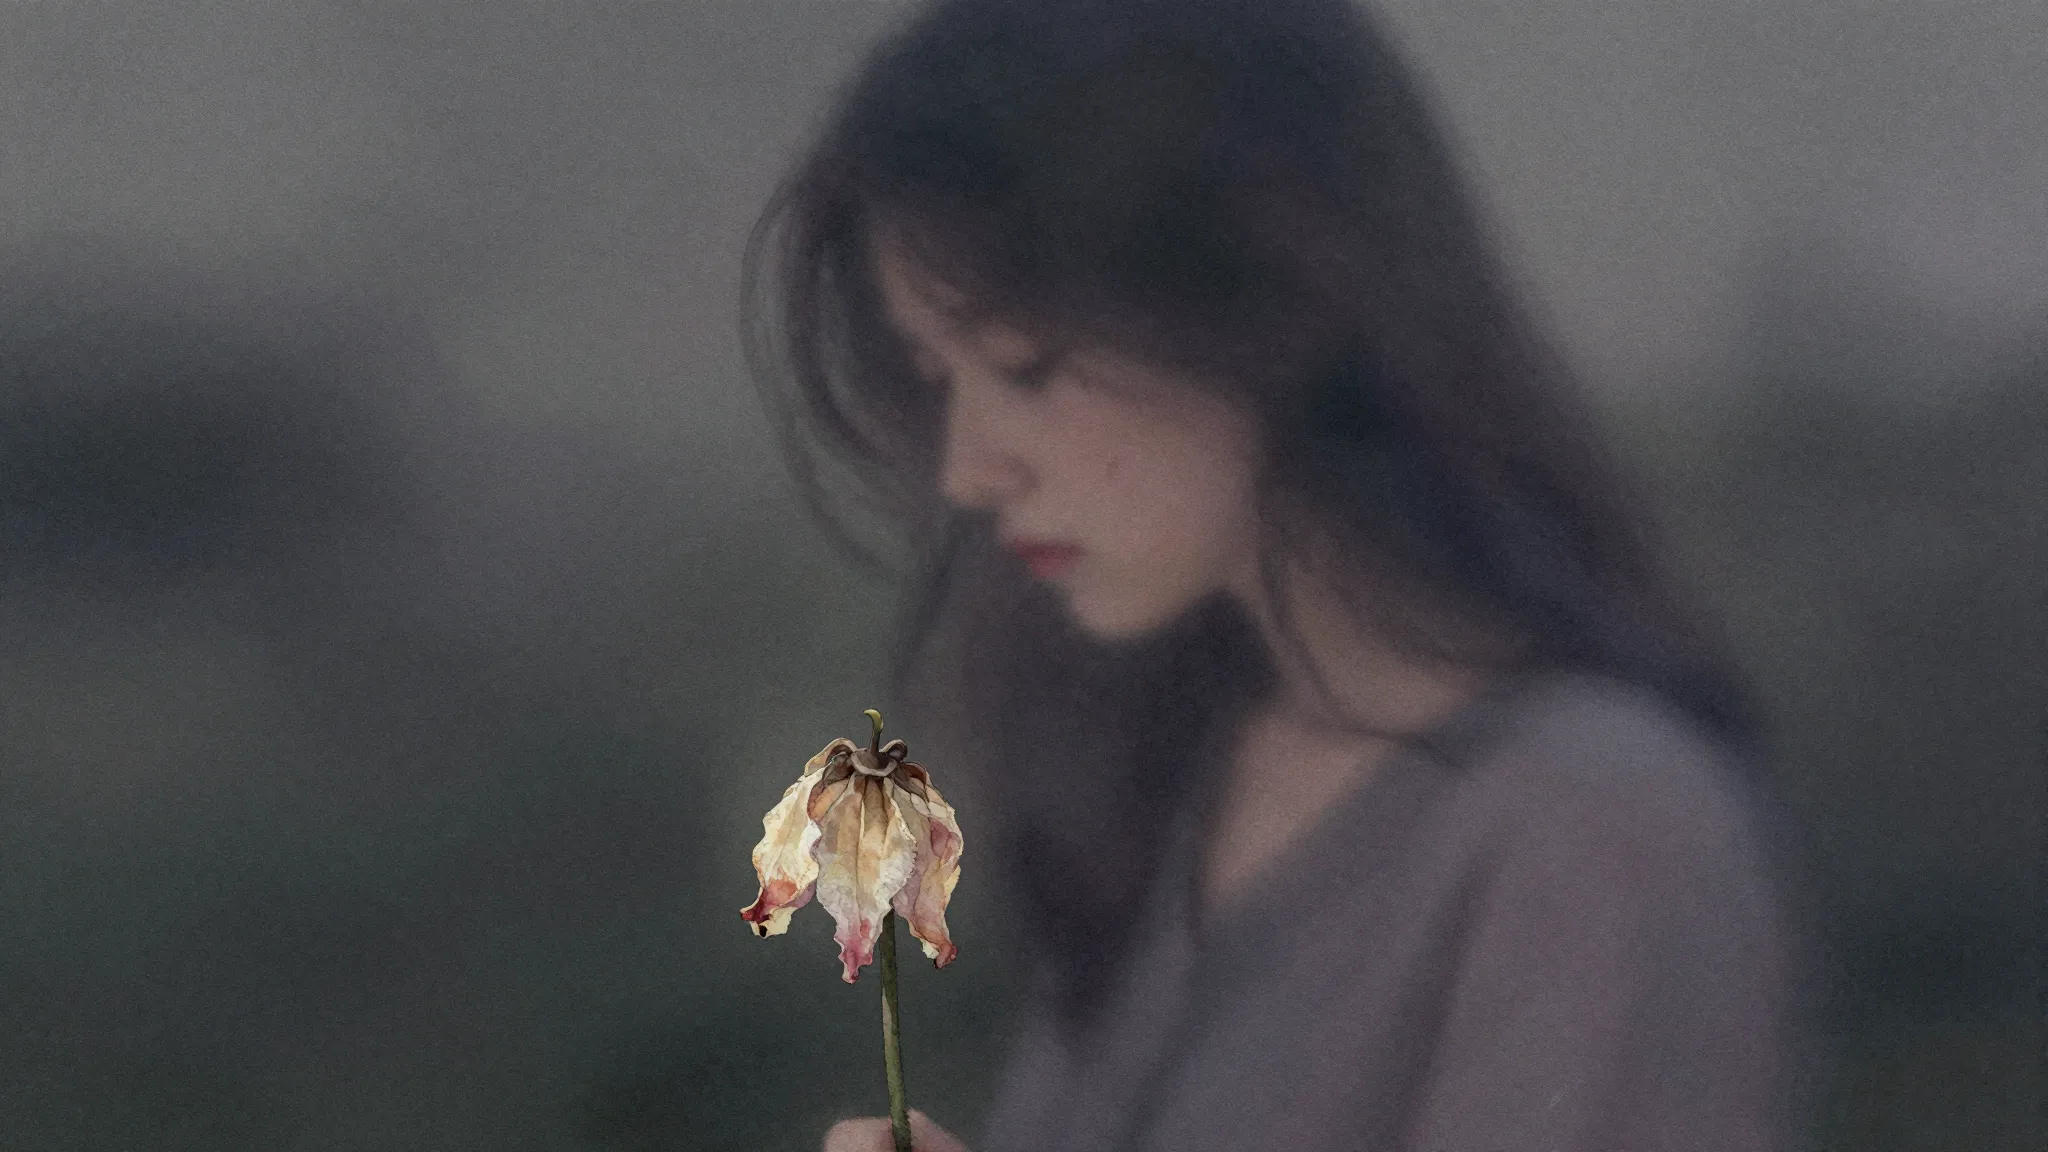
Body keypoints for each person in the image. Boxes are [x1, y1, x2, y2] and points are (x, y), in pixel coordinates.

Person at [738, 1, 1833, 1149]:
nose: (969, 470)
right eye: (935, 376)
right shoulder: (1175, 758)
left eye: (1028, 365)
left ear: (1268, 299)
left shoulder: (1591, 827)